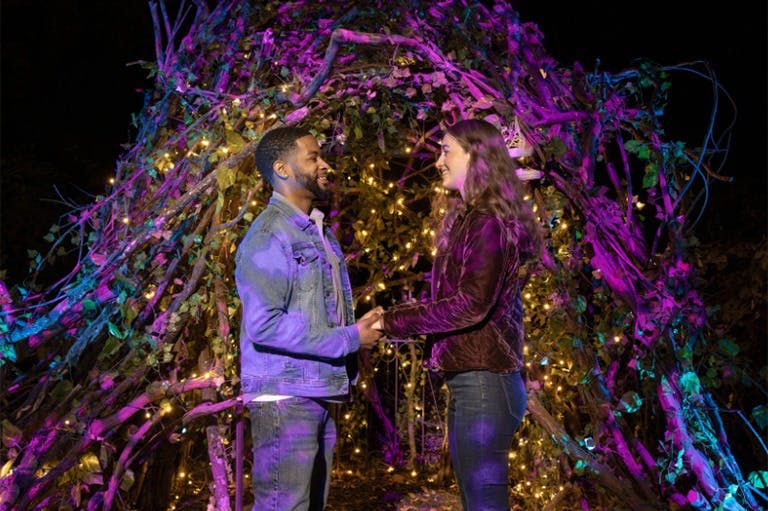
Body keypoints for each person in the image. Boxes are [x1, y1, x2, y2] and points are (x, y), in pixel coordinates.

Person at [373, 118, 544, 510]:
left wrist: (391, 322)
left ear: (476, 155)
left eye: (446, 149)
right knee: (475, 500)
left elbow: (470, 304)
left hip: (485, 384)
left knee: (484, 503)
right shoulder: (473, 217)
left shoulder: (487, 221)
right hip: (473, 381)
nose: (438, 161)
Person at [235, 126, 383, 511]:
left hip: (315, 389)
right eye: (313, 157)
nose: (325, 165)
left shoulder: (320, 233)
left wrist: (360, 327)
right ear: (282, 169)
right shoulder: (269, 234)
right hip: (285, 395)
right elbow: (264, 324)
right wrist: (350, 338)